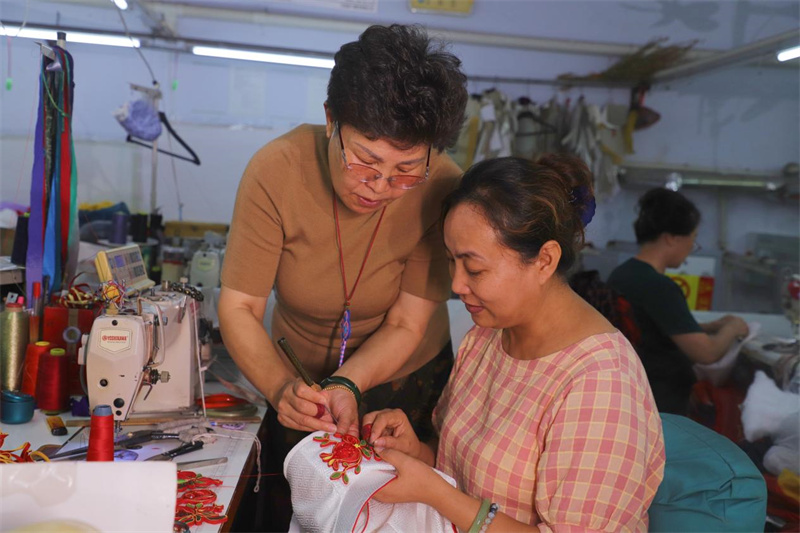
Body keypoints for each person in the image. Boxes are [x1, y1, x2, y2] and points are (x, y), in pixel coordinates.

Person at [218, 24, 467, 530]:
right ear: (332, 120)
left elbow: (407, 322)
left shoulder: (441, 185)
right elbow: (239, 307)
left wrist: (350, 382)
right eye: (366, 161)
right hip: (297, 376)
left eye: (405, 170)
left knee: (401, 513)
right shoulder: (276, 171)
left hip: (405, 375)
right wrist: (282, 387)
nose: (380, 187)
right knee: (301, 505)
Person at [363, 156, 665, 532]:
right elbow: (457, 467)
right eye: (451, 262)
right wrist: (418, 454)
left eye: (474, 269)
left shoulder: (602, 383)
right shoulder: (488, 337)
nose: (457, 285)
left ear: (544, 260)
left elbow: (451, 495)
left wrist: (436, 494)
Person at [607, 188, 749, 415]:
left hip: (629, 395)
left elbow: (651, 328)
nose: (691, 249)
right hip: (658, 402)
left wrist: (710, 327)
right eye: (692, 240)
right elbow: (706, 353)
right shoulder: (659, 286)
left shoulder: (622, 274)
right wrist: (733, 328)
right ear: (671, 238)